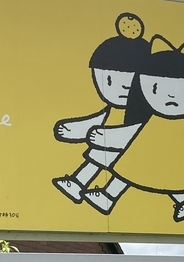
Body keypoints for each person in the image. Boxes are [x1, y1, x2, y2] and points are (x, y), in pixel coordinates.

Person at [84, 35, 184, 222]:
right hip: (162, 159)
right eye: (155, 88)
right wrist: (105, 137)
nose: (170, 96)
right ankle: (109, 196)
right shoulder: (150, 121)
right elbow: (130, 133)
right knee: (138, 169)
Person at [52, 12, 150, 205]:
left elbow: (138, 133)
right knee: (100, 157)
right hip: (113, 148)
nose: (124, 88)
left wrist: (107, 136)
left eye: (132, 82)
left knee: (127, 170)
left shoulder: (144, 114)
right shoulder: (114, 110)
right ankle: (79, 183)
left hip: (138, 152)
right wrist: (73, 130)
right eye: (110, 80)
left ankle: (105, 194)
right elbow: (98, 120)